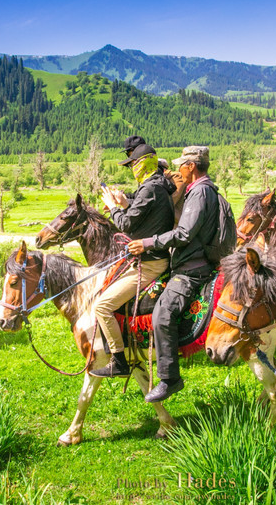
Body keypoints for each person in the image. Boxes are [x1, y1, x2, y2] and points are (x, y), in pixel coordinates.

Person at [127, 146, 219, 402]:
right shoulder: (202, 189)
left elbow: (184, 234)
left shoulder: (200, 192)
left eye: (182, 166)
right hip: (192, 260)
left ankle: (170, 378)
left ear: (190, 166)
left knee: (162, 314)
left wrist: (148, 243)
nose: (178, 170)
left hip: (192, 268)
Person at [90, 143, 175, 377]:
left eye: (133, 164)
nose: (132, 169)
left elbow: (127, 224)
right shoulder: (157, 185)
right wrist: (124, 204)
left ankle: (118, 360)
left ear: (143, 163)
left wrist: (113, 208)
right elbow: (144, 216)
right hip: (150, 259)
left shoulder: (150, 188)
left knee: (102, 306)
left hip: (150, 263)